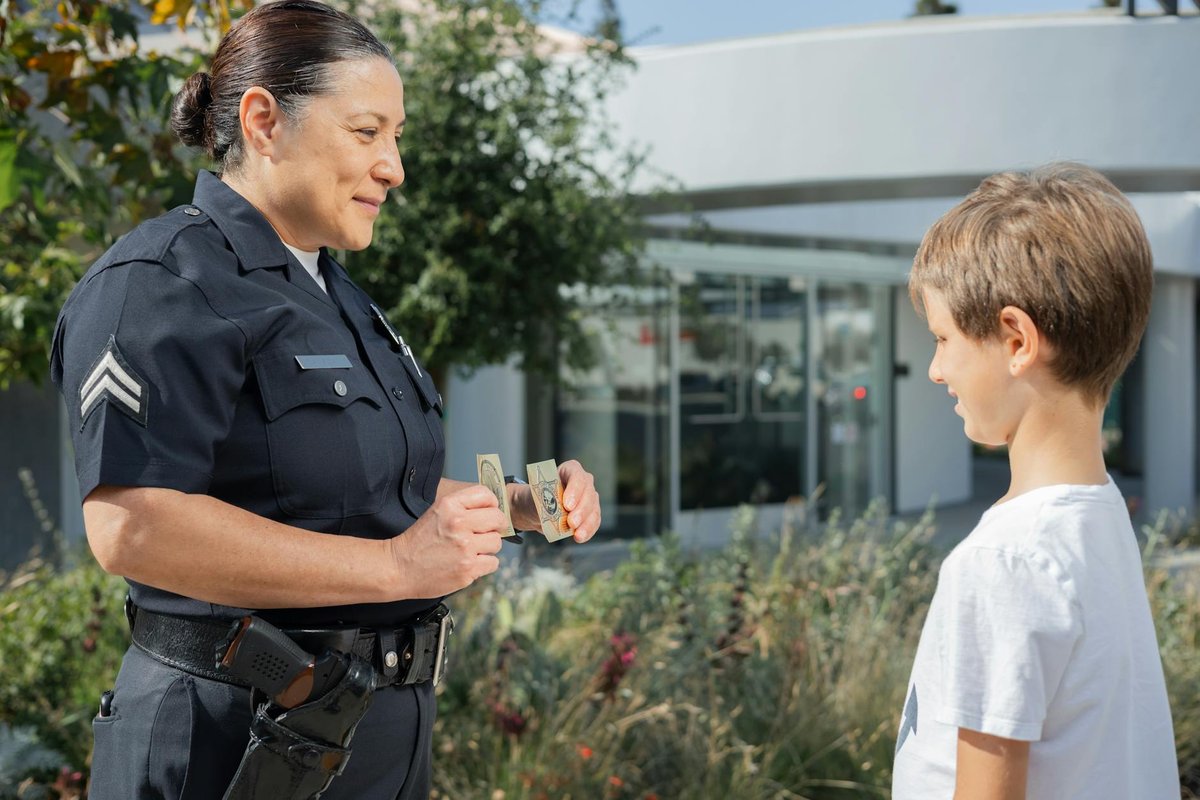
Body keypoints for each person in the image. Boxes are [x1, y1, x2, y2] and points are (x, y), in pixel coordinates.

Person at [49, 2, 602, 798]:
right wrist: (393, 566)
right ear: (264, 120)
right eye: (366, 131)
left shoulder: (337, 296)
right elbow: (133, 524)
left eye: (397, 137)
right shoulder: (162, 283)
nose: (394, 167)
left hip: (366, 739)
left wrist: (517, 503)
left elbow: (363, 490)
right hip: (230, 749)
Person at [892, 163, 1179, 799]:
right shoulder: (1098, 515)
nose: (936, 370)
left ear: (1017, 339)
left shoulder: (1005, 561)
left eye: (943, 339)